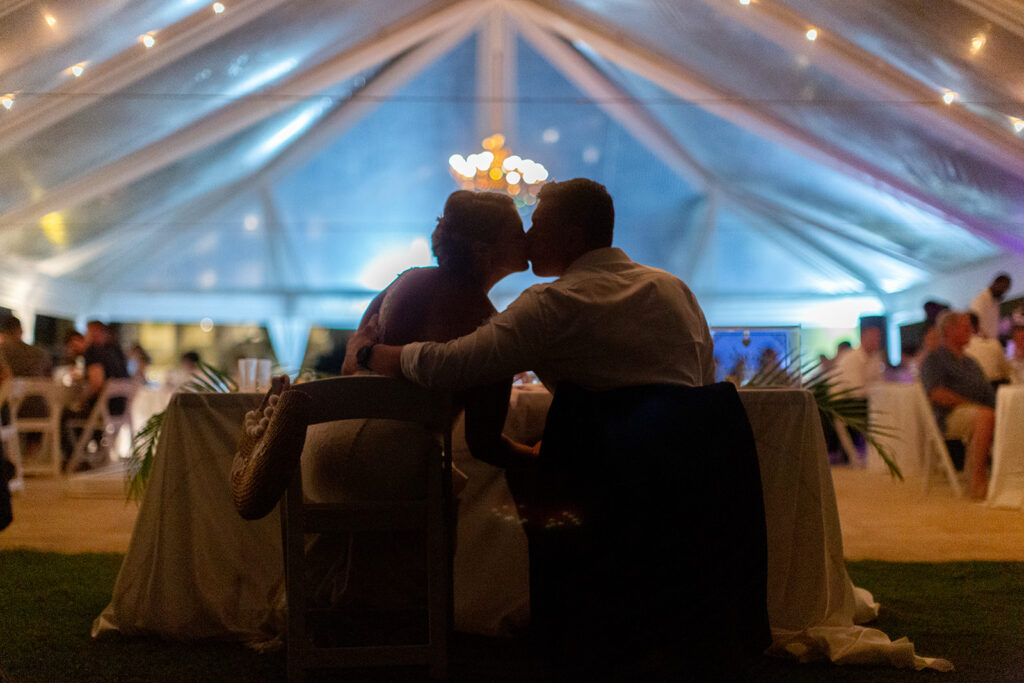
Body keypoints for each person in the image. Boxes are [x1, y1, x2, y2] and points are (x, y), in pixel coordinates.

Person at [349, 180, 759, 675]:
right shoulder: (674, 289)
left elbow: (450, 365)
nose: (527, 237)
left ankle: (564, 634)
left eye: (537, 226)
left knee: (547, 456)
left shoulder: (551, 305)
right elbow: (700, 378)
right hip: (697, 484)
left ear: (569, 233)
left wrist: (371, 353)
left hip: (601, 487)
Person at [288, 190, 532, 638]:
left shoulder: (400, 283)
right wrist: (539, 455)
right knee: (445, 473)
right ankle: (428, 630)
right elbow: (483, 442)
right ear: (484, 251)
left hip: (322, 448)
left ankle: (339, 625)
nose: (530, 235)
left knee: (420, 467)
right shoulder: (488, 325)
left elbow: (351, 364)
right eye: (519, 230)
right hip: (390, 461)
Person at [920, 311, 995, 500]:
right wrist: (970, 404)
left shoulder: (971, 362)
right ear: (949, 330)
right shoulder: (934, 359)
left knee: (1008, 415)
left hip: (978, 411)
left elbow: (988, 393)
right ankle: (978, 482)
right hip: (948, 416)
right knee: (985, 415)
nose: (971, 331)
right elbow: (936, 393)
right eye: (966, 327)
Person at [832, 326, 885, 398]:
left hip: (862, 402)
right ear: (863, 337)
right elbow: (856, 391)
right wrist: (876, 390)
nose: (876, 342)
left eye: (878, 338)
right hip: (843, 404)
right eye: (872, 338)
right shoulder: (851, 358)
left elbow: (879, 384)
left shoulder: (875, 358)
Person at [964, 312, 1012, 390]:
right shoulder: (994, 343)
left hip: (973, 394)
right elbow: (1007, 372)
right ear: (978, 327)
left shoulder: (962, 349)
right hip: (997, 392)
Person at [970, 273, 1011, 342]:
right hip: (981, 343)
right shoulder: (980, 299)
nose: (1003, 292)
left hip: (992, 342)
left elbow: (994, 326)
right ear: (995, 283)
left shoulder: (996, 302)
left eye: (1005, 290)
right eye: (1002, 288)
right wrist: (986, 340)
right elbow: (974, 324)